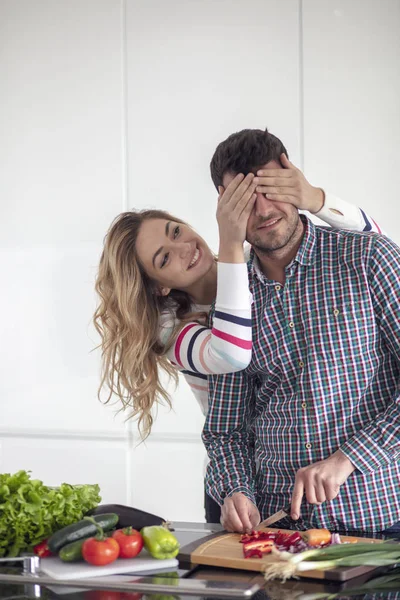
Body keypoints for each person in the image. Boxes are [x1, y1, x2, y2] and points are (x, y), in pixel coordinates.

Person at [93, 140, 384, 523]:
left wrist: (313, 198)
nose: (184, 249)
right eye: (164, 258)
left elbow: (372, 242)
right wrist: (230, 240)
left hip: (335, 492)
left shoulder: (262, 267)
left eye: (176, 231)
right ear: (157, 285)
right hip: (238, 486)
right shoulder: (171, 329)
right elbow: (232, 355)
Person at [202, 127, 400, 535]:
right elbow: (226, 431)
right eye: (242, 199)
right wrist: (234, 491)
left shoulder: (369, 259)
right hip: (281, 533)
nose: (261, 209)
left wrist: (349, 457)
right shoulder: (231, 303)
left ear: (293, 179)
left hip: (382, 523)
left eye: (270, 188)